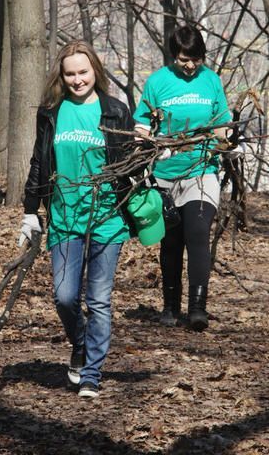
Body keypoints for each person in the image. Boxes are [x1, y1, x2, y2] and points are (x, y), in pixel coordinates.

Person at [19, 40, 136, 398]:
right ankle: (81, 344)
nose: (77, 79)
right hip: (64, 216)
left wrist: (145, 151)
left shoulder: (115, 110)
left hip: (107, 218)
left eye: (83, 72)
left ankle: (92, 375)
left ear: (95, 72)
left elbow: (130, 160)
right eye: (70, 73)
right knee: (64, 297)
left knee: (98, 300)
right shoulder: (52, 112)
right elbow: (40, 161)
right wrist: (30, 210)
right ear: (62, 76)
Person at [134, 25, 243, 332]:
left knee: (197, 234)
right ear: (174, 55)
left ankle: (197, 308)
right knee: (170, 241)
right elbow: (143, 124)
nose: (191, 65)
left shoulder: (211, 80)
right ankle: (170, 305)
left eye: (196, 58)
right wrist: (147, 150)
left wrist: (230, 143)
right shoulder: (158, 82)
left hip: (202, 171)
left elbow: (221, 122)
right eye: (185, 59)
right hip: (166, 175)